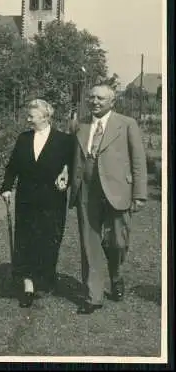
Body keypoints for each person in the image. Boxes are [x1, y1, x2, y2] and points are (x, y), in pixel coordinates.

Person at [58, 82, 147, 314]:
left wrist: (140, 194)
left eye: (100, 98)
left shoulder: (127, 124)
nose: (94, 102)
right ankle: (93, 295)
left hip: (118, 191)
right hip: (87, 190)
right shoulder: (81, 125)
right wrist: (66, 172)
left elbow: (138, 161)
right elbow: (71, 155)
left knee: (117, 241)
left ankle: (116, 274)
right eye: (92, 97)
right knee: (90, 243)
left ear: (112, 101)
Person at [0, 99, 74, 308]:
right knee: (25, 239)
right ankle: (28, 284)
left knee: (49, 239)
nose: (28, 118)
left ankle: (45, 277)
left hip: (52, 199)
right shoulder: (24, 138)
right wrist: (6, 187)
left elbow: (72, 166)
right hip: (27, 199)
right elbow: (12, 166)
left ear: (45, 116)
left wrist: (66, 175)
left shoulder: (64, 140)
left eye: (32, 115)